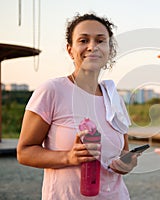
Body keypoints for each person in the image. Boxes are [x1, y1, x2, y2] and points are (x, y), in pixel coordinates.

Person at [17, 13, 138, 199]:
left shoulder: (114, 98)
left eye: (100, 40)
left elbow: (124, 152)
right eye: (83, 40)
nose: (92, 46)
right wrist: (68, 157)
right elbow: (24, 152)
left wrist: (126, 164)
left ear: (109, 49)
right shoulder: (52, 90)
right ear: (70, 49)